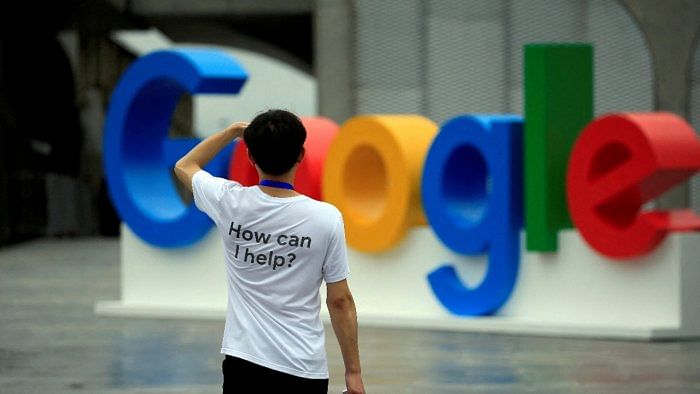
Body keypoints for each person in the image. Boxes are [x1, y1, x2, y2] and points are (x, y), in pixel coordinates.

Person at [174, 109, 365, 394]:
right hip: (303, 365)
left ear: (251, 158)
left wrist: (233, 132)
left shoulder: (229, 202)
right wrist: (353, 372)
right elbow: (340, 302)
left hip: (244, 362)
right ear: (301, 155)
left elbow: (185, 166)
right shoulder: (325, 218)